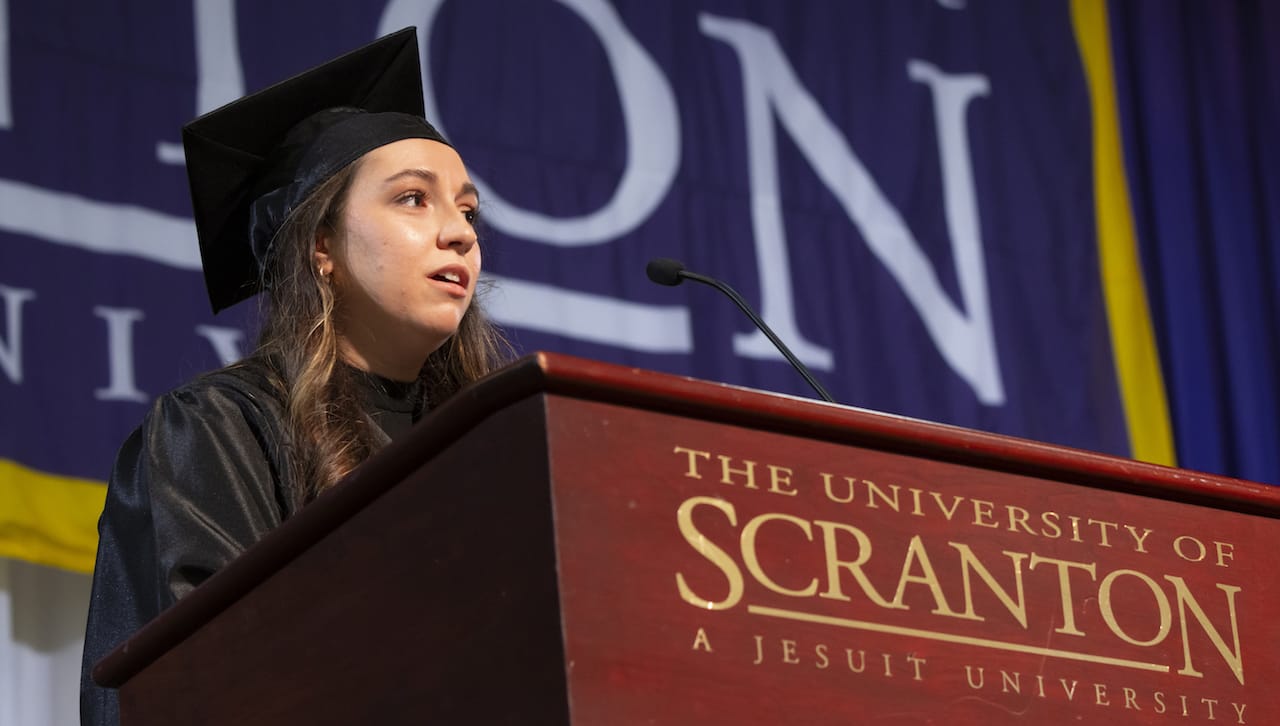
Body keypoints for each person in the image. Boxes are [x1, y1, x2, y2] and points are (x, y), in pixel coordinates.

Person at [79, 28, 510, 725]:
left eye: (467, 210)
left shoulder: (492, 448)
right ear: (321, 246)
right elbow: (211, 679)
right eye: (412, 199)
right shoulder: (219, 430)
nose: (459, 232)